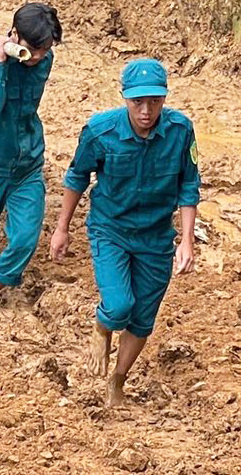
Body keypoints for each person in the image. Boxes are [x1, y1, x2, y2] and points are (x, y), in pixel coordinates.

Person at [50, 58, 200, 407]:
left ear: (164, 99)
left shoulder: (181, 131)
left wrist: (187, 240)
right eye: (137, 102)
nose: (146, 111)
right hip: (111, 229)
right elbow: (76, 177)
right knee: (119, 306)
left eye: (154, 101)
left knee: (143, 318)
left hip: (155, 236)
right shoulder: (101, 131)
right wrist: (62, 228)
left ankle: (117, 381)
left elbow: (189, 186)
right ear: (124, 98)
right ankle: (102, 328)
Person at [0, 3, 63, 307]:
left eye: (45, 49)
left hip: (27, 165)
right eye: (33, 50)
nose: (39, 57)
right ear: (15, 36)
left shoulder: (43, 61)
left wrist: (27, 56)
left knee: (24, 238)